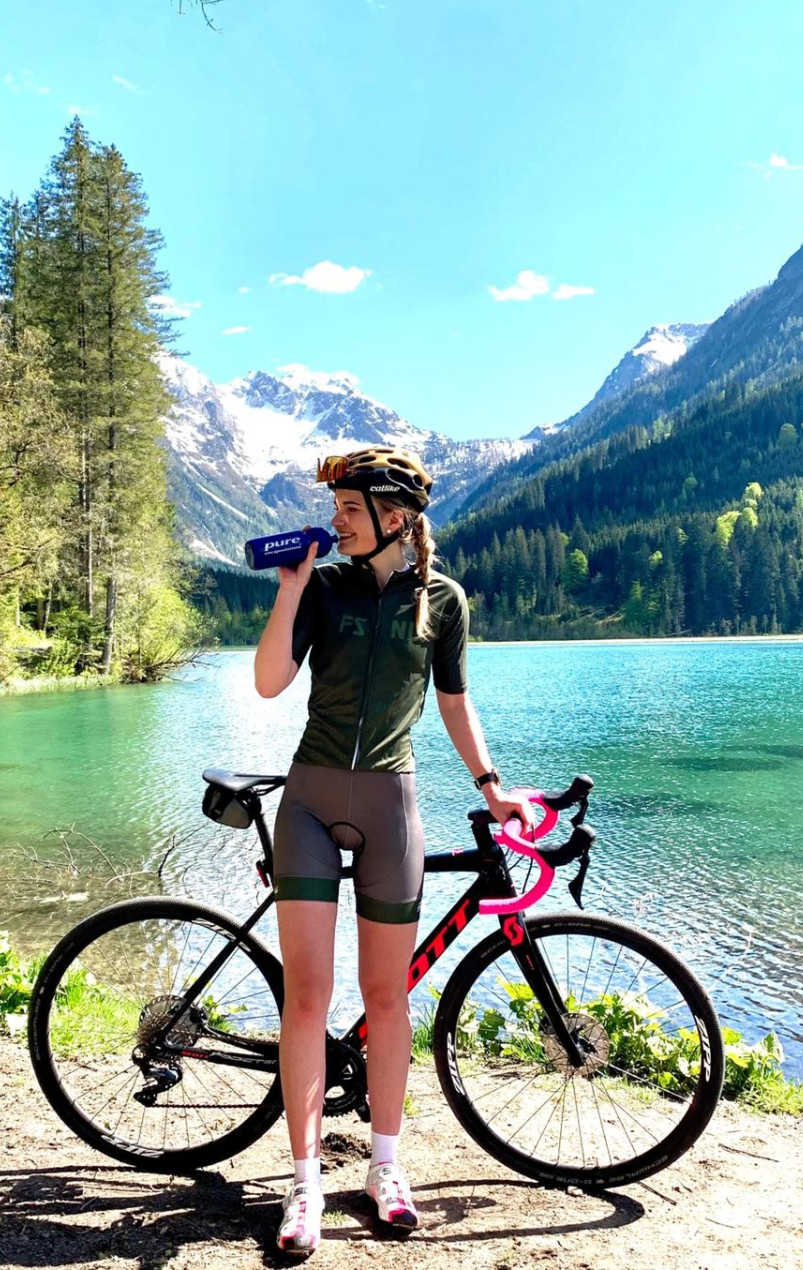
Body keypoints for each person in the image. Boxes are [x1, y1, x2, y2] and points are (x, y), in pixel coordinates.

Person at [253, 446, 532, 1257]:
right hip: (307, 799)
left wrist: (491, 785)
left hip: (391, 804)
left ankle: (384, 1169)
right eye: (336, 509)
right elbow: (269, 684)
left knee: (386, 998)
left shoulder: (443, 602)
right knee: (305, 996)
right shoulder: (325, 586)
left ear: (396, 518)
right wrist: (290, 593)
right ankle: (303, 1185)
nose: (334, 522)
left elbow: (454, 702)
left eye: (349, 510)